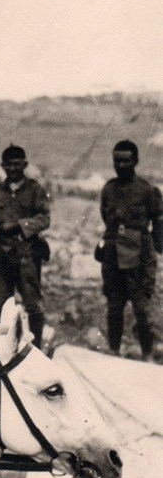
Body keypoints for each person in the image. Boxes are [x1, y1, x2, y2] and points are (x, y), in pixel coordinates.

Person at [0, 144, 50, 348]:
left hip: (26, 254)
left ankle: (35, 350)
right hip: (0, 256)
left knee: (33, 304)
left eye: (17, 164)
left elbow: (45, 218)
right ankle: (1, 348)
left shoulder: (35, 190)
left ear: (25, 164)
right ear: (2, 166)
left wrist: (20, 226)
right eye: (8, 165)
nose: (13, 169)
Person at [99, 139, 163, 361]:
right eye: (117, 161)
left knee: (142, 309)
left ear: (135, 161)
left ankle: (147, 354)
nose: (121, 165)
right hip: (113, 255)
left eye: (126, 161)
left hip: (139, 255)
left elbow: (159, 221)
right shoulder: (108, 189)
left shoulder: (147, 190)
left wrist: (155, 250)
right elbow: (106, 219)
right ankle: (114, 352)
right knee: (114, 307)